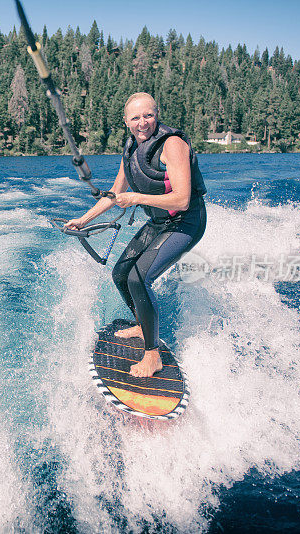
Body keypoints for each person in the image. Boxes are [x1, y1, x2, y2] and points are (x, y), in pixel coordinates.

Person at [64, 92, 207, 377]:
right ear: (126, 121)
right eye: (136, 118)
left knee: (139, 278)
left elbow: (181, 200)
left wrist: (137, 197)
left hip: (186, 223)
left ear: (157, 114)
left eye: (148, 115)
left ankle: (152, 356)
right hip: (159, 222)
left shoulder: (173, 145)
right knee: (121, 274)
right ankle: (143, 327)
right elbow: (117, 195)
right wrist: (83, 220)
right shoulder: (131, 147)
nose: (143, 123)